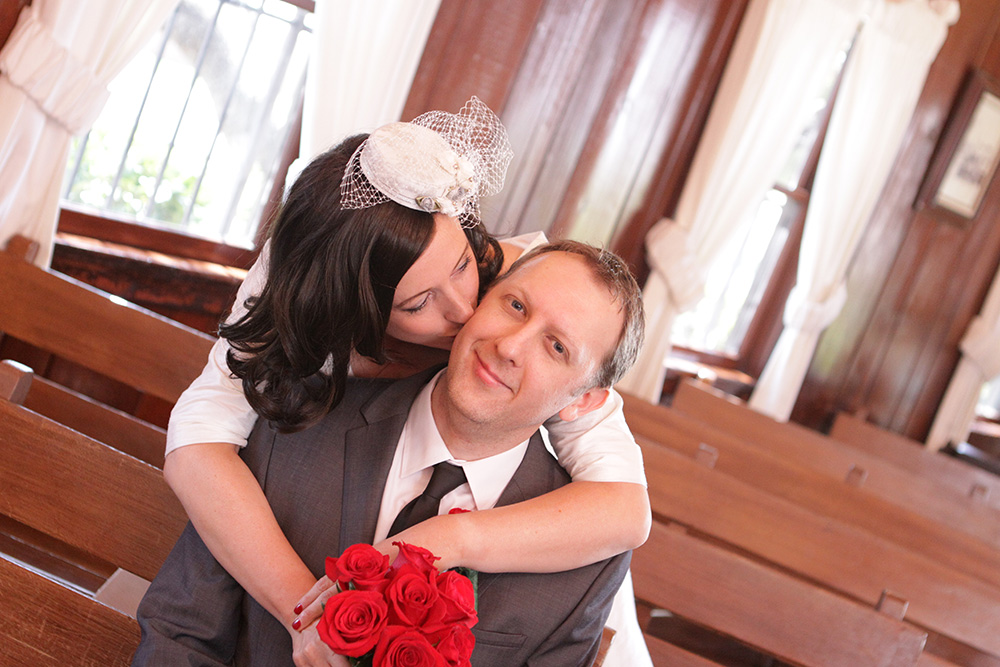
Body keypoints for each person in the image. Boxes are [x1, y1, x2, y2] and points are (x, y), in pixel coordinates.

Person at [163, 98, 652, 665]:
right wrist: (313, 617)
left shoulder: (535, 294)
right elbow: (196, 446)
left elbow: (625, 510)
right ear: (354, 320)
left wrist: (451, 538)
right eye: (419, 302)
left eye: (465, 268)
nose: (471, 312)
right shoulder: (292, 362)